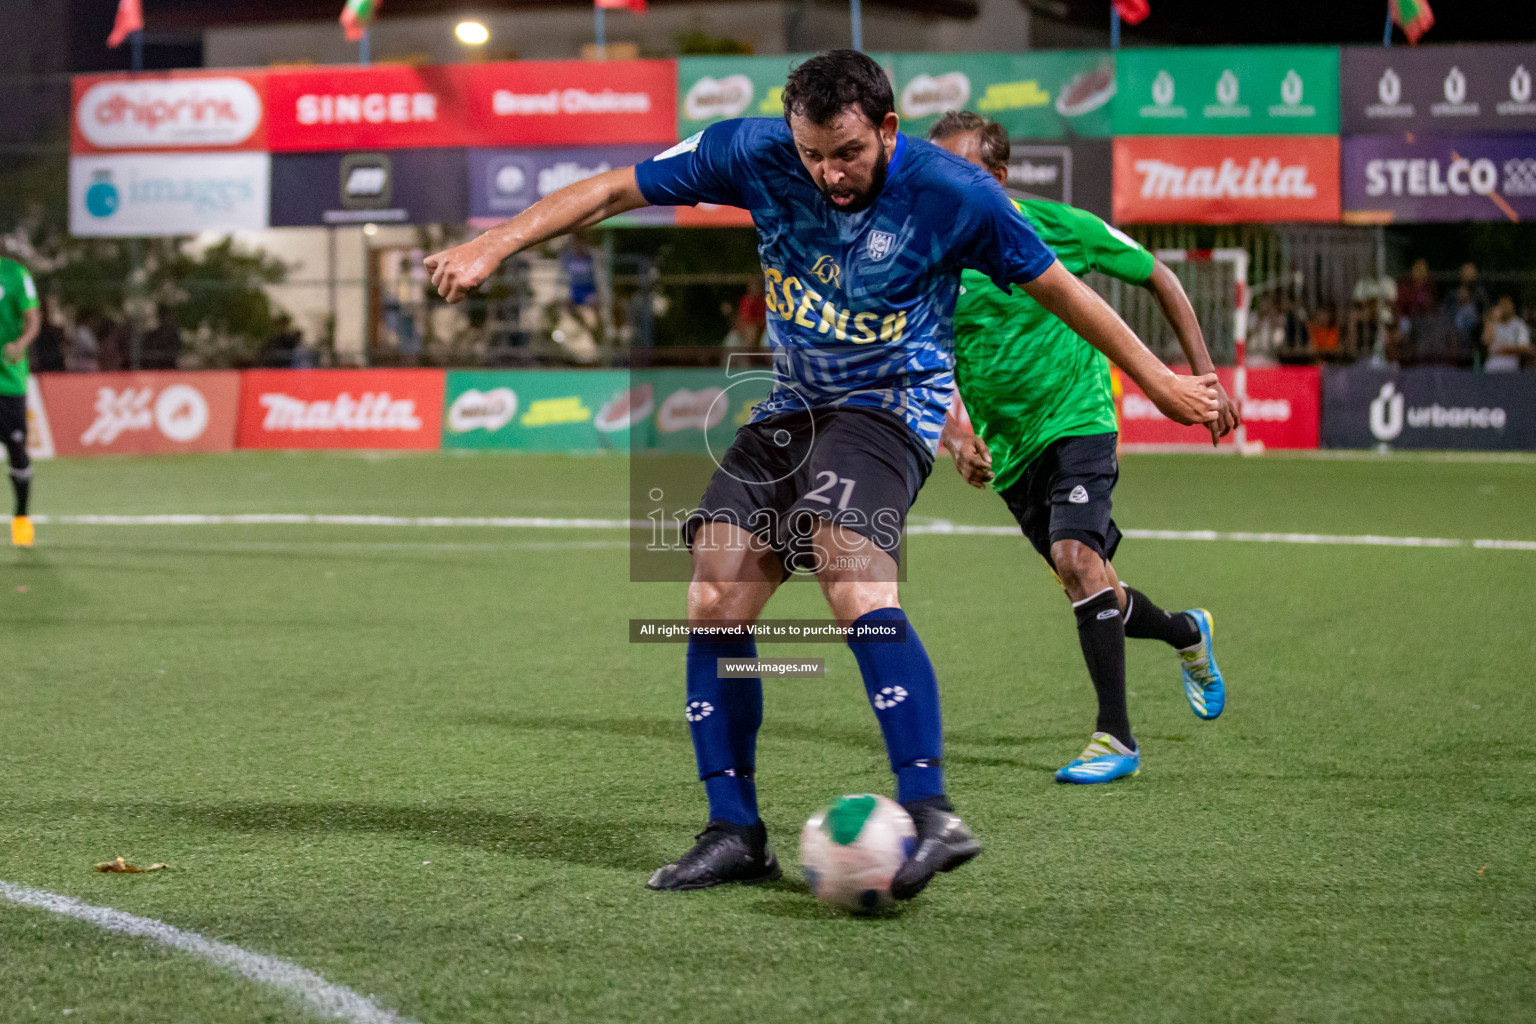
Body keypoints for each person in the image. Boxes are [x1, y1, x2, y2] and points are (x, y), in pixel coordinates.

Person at [424, 50, 1218, 899]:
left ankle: (930, 810)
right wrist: (497, 242)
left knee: (850, 570)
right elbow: (617, 188)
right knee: (713, 591)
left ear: (886, 129)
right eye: (812, 154)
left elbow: (1065, 290)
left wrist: (1161, 381)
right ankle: (734, 831)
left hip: (890, 407)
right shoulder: (754, 150)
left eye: (846, 153)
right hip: (793, 407)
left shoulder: (955, 194)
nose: (828, 173)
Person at [929, 112, 1234, 786]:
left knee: (1076, 558)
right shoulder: (932, 255)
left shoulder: (1056, 226)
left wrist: (1202, 374)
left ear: (999, 179)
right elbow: (925, 360)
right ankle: (1186, 631)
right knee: (1089, 583)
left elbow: (1160, 277)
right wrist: (957, 436)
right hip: (1010, 453)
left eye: (962, 172)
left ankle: (1115, 739)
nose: (945, 186)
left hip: (1079, 416)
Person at [0, 255, 41, 547]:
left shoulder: (16, 275)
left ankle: (21, 517)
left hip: (9, 382)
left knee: (17, 450)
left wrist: (20, 345)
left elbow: (33, 320)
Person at [1483, 296, 1531, 373]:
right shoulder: (1495, 323)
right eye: (1501, 305)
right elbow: (1486, 341)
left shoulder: (1519, 324)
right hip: (1493, 361)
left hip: (1511, 360)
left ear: (1512, 307)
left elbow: (1525, 348)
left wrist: (1504, 348)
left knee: (1503, 366)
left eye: (1506, 305)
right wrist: (1492, 320)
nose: (1504, 308)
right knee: (1489, 366)